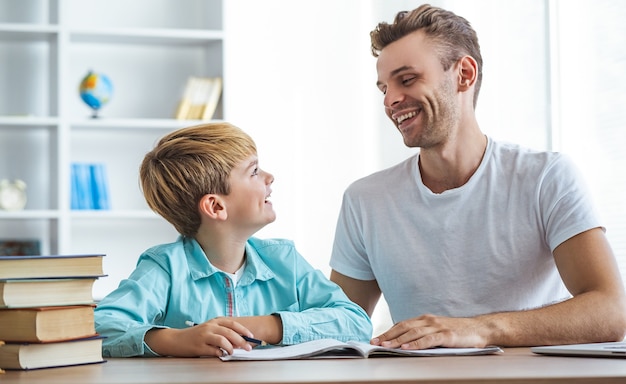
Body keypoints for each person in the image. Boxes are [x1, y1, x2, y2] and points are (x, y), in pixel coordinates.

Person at [329, 4, 626, 350]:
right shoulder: (365, 201)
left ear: (464, 74)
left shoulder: (546, 177)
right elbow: (340, 324)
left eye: (407, 79)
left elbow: (611, 311)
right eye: (384, 89)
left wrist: (480, 329)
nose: (391, 100)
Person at [95, 122, 372, 358]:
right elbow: (100, 325)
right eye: (253, 171)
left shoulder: (284, 260)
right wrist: (177, 340)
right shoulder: (166, 268)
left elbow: (356, 321)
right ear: (216, 207)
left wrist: (266, 326)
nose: (269, 177)